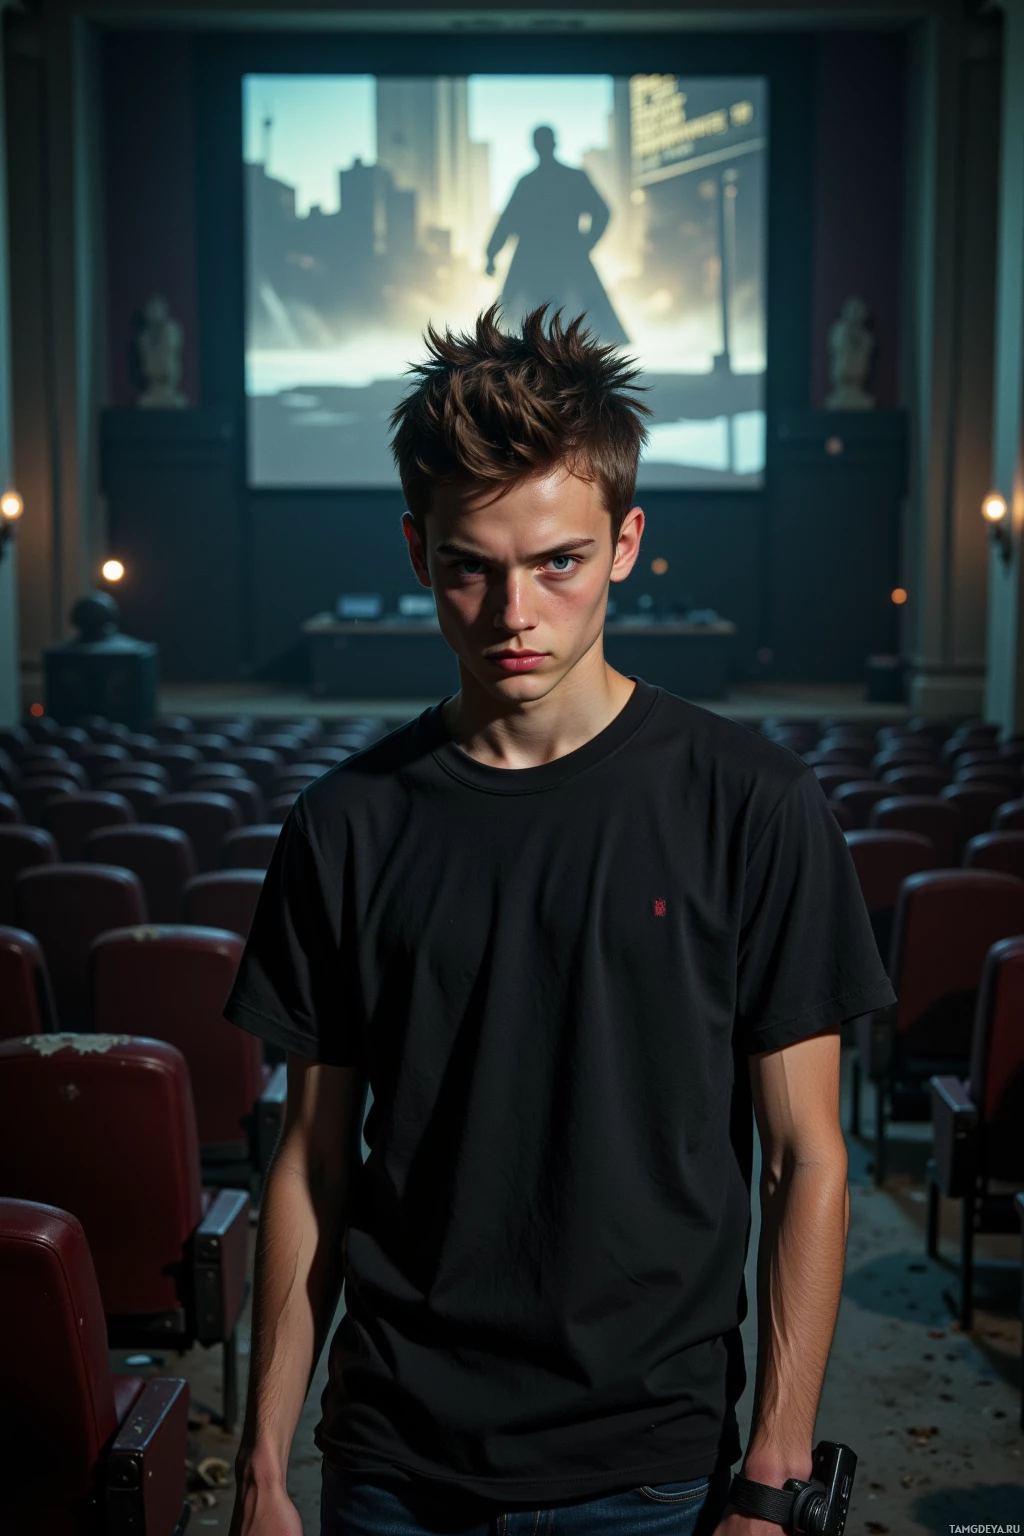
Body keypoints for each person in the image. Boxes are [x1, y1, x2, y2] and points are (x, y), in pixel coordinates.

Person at [226, 303, 896, 1536]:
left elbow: (809, 1158)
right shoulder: (343, 823)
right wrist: (265, 1467)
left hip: (650, 1461)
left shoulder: (752, 804)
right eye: (468, 565)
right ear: (417, 551)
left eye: (557, 562)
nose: (511, 613)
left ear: (626, 541)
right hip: (391, 1456)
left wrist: (774, 1467)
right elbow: (312, 1164)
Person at [485, 126, 630, 347]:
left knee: (529, 313)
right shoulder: (561, 179)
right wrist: (586, 244)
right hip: (556, 256)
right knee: (522, 314)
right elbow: (507, 222)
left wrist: (491, 256)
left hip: (542, 258)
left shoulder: (537, 182)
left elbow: (506, 223)